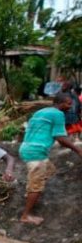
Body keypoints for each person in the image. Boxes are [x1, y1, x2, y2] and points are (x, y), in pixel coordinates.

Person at [19, 93, 82, 225]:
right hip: (37, 152)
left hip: (26, 148)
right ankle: (26, 215)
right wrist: (77, 150)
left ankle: (31, 189)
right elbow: (60, 138)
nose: (70, 107)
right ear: (60, 103)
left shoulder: (41, 111)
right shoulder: (58, 114)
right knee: (37, 184)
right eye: (68, 103)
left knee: (50, 170)